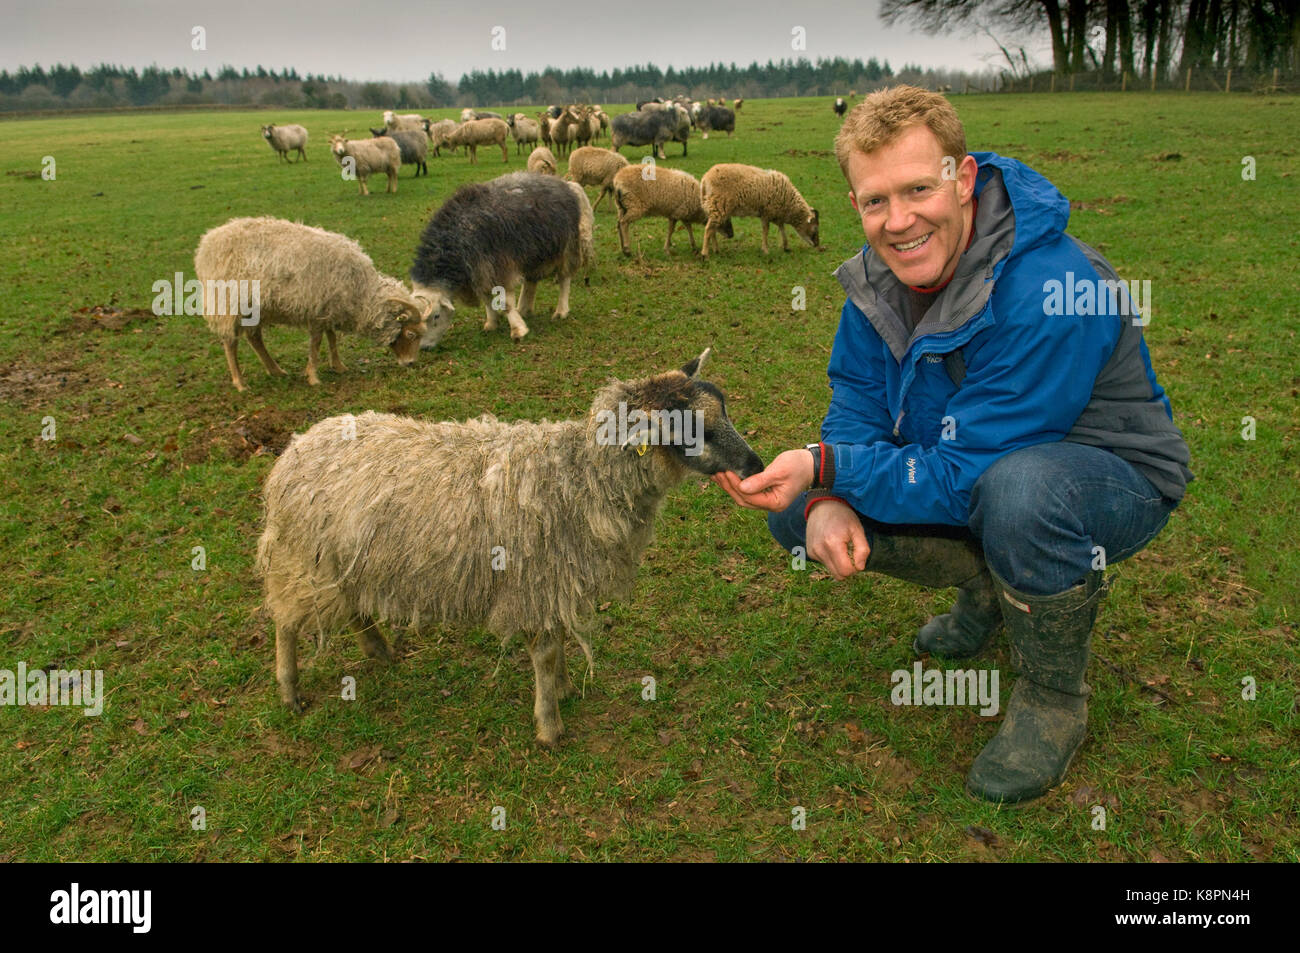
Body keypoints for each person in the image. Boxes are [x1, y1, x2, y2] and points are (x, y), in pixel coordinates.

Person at [714, 85, 1192, 804]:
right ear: (854, 205)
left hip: (1105, 478)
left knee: (1018, 493)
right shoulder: (876, 281)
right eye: (876, 201)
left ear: (962, 180)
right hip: (970, 468)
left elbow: (969, 473)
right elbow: (856, 403)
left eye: (918, 190)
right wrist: (824, 492)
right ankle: (989, 588)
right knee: (797, 510)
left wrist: (826, 466)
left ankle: (1053, 697)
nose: (898, 221)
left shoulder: (1053, 288)